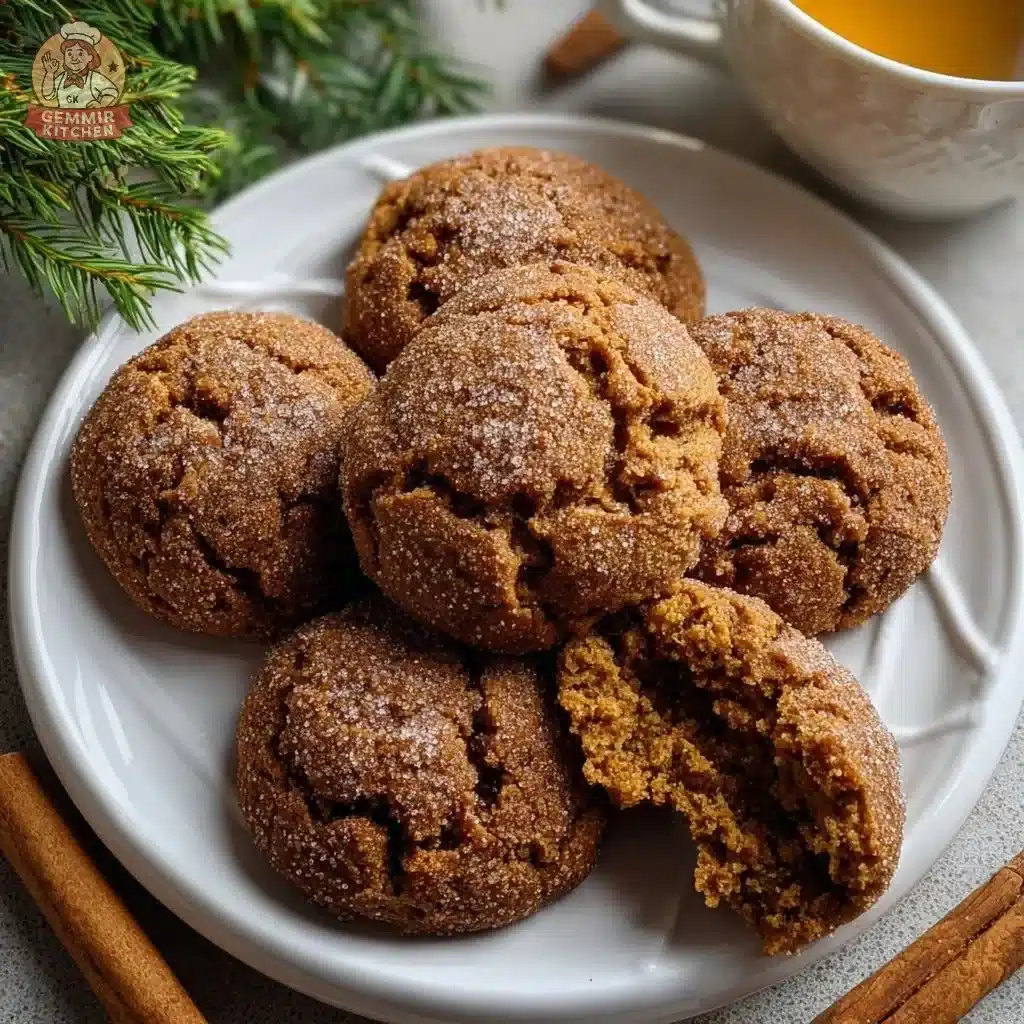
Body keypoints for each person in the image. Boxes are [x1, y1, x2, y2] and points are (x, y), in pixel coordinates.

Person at [39, 21, 118, 110]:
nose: (74, 58)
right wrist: (49, 73)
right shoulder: (62, 78)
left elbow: (112, 92)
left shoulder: (94, 78)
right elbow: (48, 95)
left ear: (90, 57)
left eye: (80, 54)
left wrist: (101, 103)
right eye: (69, 54)